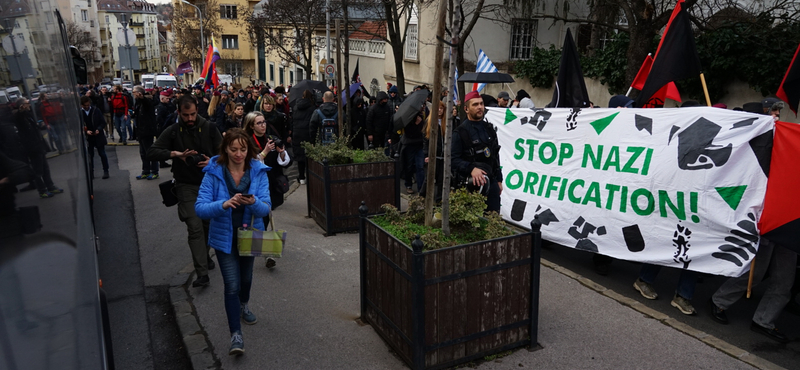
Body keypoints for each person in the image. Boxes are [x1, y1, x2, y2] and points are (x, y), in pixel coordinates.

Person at [195, 128, 271, 356]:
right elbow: (200, 208)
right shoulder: (213, 172)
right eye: (233, 149)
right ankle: (235, 335)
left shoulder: (258, 171)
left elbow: (266, 207)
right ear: (225, 149)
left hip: (250, 234)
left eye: (243, 149)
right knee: (232, 284)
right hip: (224, 238)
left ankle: (243, 305)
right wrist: (224, 205)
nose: (238, 154)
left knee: (246, 278)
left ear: (249, 150)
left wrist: (252, 201)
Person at [147, 94, 223, 288]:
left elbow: (227, 153)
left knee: (207, 226)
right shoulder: (173, 131)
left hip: (210, 184)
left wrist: (212, 162)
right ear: (178, 112)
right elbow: (152, 152)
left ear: (197, 109)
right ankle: (202, 273)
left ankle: (204, 256)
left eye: (192, 114)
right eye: (185, 115)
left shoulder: (210, 128)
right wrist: (175, 154)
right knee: (194, 227)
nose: (189, 119)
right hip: (185, 185)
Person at [709, 238, 796, 343]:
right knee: (754, 274)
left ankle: (764, 320)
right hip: (769, 230)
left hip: (792, 235)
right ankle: (719, 300)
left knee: (784, 281)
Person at [245, 111, 291, 269]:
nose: (263, 125)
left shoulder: (271, 138)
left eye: (264, 122)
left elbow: (284, 162)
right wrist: (264, 152)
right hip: (254, 185)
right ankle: (266, 253)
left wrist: (281, 152)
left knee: (266, 215)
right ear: (251, 126)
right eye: (259, 123)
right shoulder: (247, 141)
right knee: (260, 217)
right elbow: (248, 164)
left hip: (271, 183)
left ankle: (263, 249)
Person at [451, 91, 502, 212]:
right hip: (469, 186)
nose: (479, 107)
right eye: (475, 104)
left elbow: (495, 156)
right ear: (466, 109)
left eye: (481, 104)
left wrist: (499, 179)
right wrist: (471, 169)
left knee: (493, 221)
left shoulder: (489, 129)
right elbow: (452, 160)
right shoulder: (460, 132)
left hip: (491, 183)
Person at [13, 98, 65, 196]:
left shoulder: (29, 115)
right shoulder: (19, 116)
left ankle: (50, 187)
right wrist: (21, 110)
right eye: (27, 103)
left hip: (38, 145)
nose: (29, 105)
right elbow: (18, 117)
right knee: (38, 170)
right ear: (22, 105)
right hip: (32, 147)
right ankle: (42, 190)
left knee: (45, 168)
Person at [132, 86, 159, 180]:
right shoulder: (138, 103)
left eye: (134, 92)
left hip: (147, 131)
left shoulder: (147, 101)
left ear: (139, 93)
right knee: (143, 153)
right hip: (141, 131)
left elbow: (147, 104)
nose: (133, 94)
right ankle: (146, 171)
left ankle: (154, 171)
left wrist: (142, 98)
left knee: (150, 151)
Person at [420, 101, 446, 202]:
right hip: (433, 155)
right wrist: (426, 154)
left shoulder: (446, 122)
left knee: (441, 179)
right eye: (437, 108)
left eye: (441, 108)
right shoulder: (429, 121)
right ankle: (422, 197)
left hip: (443, 155)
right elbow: (425, 140)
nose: (439, 110)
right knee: (429, 178)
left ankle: (439, 200)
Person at [80, 96, 110, 180]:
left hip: (98, 135)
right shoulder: (80, 113)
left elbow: (102, 122)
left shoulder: (95, 110)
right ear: (82, 105)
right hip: (88, 137)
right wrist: (86, 131)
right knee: (90, 156)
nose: (87, 107)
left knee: (102, 154)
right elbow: (78, 126)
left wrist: (98, 129)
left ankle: (106, 171)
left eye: (88, 105)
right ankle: (91, 173)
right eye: (85, 105)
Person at [291, 90, 316, 184]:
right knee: (308, 156)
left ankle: (301, 177)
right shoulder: (312, 108)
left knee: (300, 157)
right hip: (307, 133)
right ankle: (309, 177)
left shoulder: (296, 107)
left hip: (297, 133)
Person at [400, 106, 426, 194]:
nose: (422, 107)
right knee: (409, 165)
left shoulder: (422, 115)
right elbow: (408, 132)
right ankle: (408, 184)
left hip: (419, 144)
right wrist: (415, 124)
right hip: (410, 144)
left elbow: (423, 130)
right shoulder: (408, 116)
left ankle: (421, 188)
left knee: (420, 166)